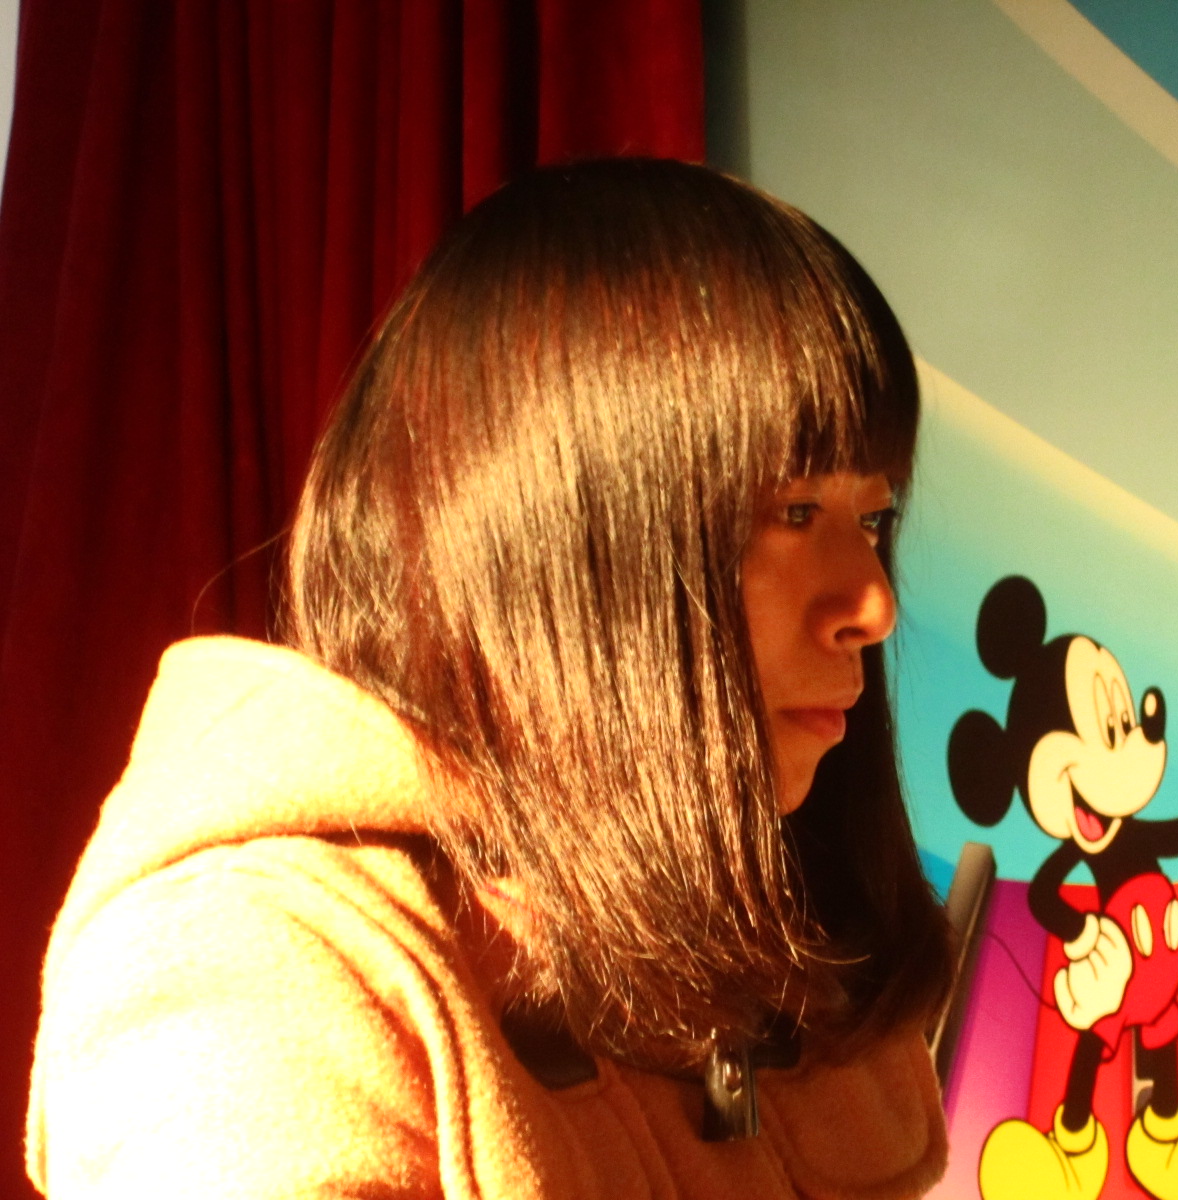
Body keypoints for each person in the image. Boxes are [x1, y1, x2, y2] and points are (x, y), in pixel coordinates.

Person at [26, 160, 955, 1198]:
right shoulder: (248, 978)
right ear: (558, 539)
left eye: (874, 518)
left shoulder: (791, 934)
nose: (873, 604)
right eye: (794, 512)